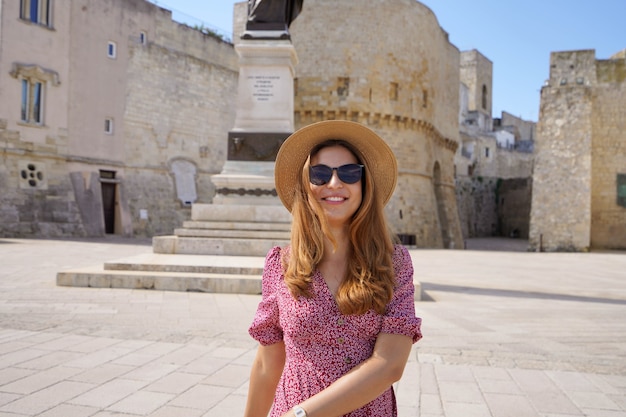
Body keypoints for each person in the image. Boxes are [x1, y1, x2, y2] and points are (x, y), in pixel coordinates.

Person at [243, 120, 422, 417]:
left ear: (364, 184)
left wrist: (302, 415)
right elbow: (267, 362)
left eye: (350, 173)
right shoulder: (281, 264)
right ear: (305, 184)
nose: (335, 184)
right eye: (320, 173)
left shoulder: (393, 263)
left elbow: (389, 365)